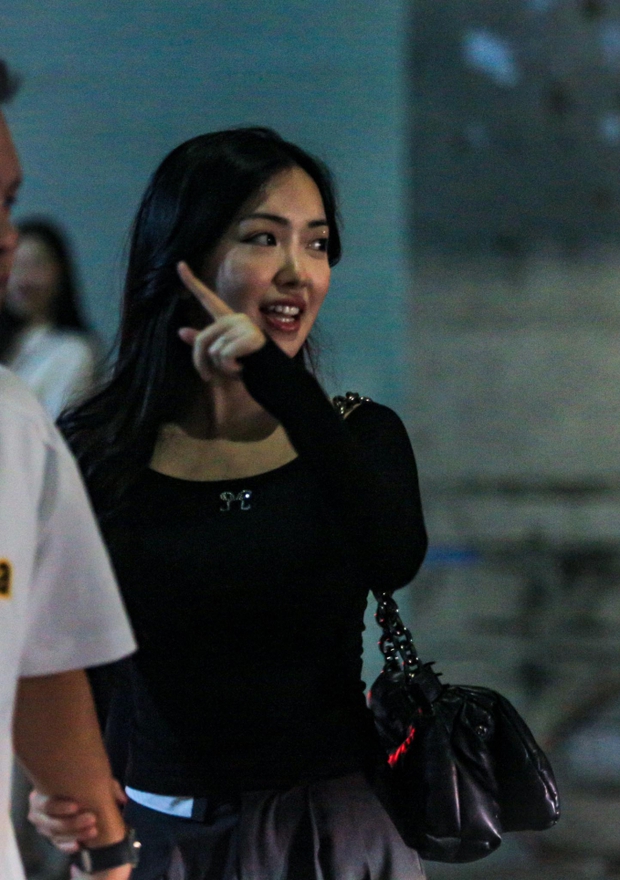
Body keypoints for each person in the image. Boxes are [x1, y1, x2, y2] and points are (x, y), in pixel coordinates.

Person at [31, 127, 429, 879]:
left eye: (317, 244)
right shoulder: (98, 448)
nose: (298, 273)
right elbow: (71, 652)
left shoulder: (354, 434)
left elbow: (393, 556)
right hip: (161, 839)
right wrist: (66, 790)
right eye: (263, 239)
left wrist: (279, 384)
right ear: (183, 257)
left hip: (332, 833)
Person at [0, 58, 138, 880]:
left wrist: (107, 848)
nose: (8, 241)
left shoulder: (17, 419)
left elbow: (45, 660)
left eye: (9, 203)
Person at [0, 217, 97, 418]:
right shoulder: (11, 344)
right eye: (14, 265)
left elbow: (55, 425)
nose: (23, 279)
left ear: (60, 272)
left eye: (36, 264)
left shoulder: (74, 352)